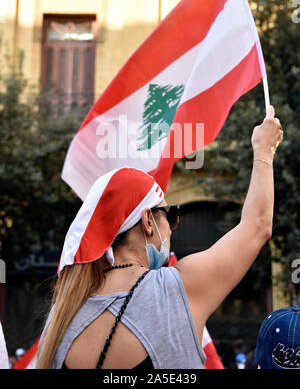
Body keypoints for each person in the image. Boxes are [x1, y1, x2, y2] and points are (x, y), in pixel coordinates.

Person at [36, 105, 283, 369]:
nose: (173, 227)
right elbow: (257, 226)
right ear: (147, 222)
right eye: (170, 215)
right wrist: (263, 150)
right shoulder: (177, 289)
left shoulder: (60, 321)